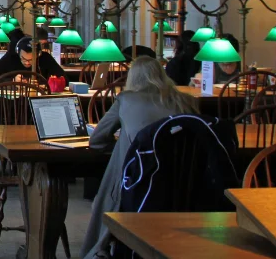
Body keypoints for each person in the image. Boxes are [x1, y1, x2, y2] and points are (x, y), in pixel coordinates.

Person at [82, 56, 199, 259]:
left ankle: (100, 247)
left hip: (137, 182)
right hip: (179, 184)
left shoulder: (125, 99)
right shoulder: (186, 101)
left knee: (118, 164)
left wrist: (125, 142)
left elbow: (97, 140)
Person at [0, 34, 64, 82]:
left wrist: (50, 81)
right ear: (18, 52)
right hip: (12, 103)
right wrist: (12, 80)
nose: (27, 63)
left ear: (39, 54)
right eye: (23, 58)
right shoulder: (10, 58)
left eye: (31, 60)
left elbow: (64, 79)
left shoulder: (45, 58)